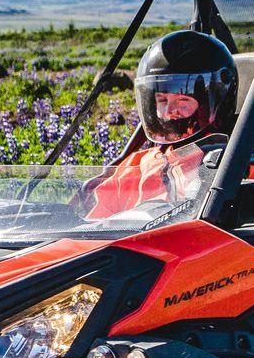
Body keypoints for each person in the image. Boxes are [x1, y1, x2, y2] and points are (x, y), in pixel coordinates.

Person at [86, 30, 240, 218]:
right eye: (162, 100)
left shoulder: (240, 163)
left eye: (182, 101)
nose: (168, 113)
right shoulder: (138, 165)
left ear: (210, 105)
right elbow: (93, 226)